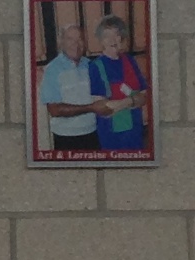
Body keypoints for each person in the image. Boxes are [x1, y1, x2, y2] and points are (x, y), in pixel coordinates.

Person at [34, 10, 105, 157]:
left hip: (93, 133)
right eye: (70, 39)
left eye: (79, 39)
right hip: (66, 138)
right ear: (61, 42)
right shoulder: (52, 70)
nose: (76, 44)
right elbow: (54, 110)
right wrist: (91, 108)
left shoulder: (90, 65)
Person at [89, 11, 150, 156]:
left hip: (135, 131)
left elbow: (144, 96)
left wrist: (119, 104)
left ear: (121, 37)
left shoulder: (130, 60)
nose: (112, 40)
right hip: (112, 136)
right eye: (106, 36)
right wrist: (132, 100)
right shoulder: (95, 66)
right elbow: (103, 109)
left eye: (116, 34)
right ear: (100, 40)